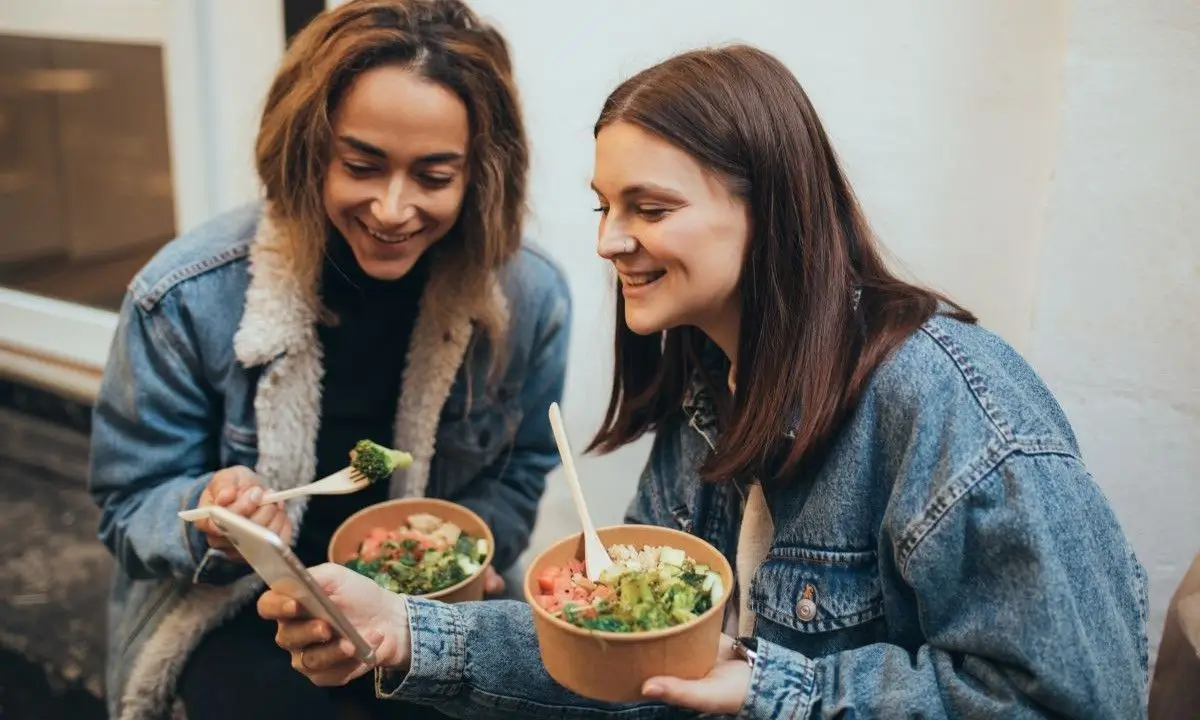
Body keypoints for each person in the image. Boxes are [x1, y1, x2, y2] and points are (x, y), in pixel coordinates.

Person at [260, 44, 1148, 719]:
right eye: (605, 206)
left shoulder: (955, 404)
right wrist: (403, 627)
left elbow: (1073, 698)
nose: (609, 240)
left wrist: (773, 689)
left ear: (774, 208)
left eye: (650, 208)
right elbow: (623, 651)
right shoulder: (706, 394)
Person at [87, 1, 571, 719]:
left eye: (434, 177)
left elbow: (523, 466)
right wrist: (210, 516)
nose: (392, 208)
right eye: (362, 166)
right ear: (310, 148)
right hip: (235, 607)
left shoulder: (527, 297)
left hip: (425, 607)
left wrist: (461, 559)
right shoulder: (184, 296)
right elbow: (128, 503)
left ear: (481, 174)